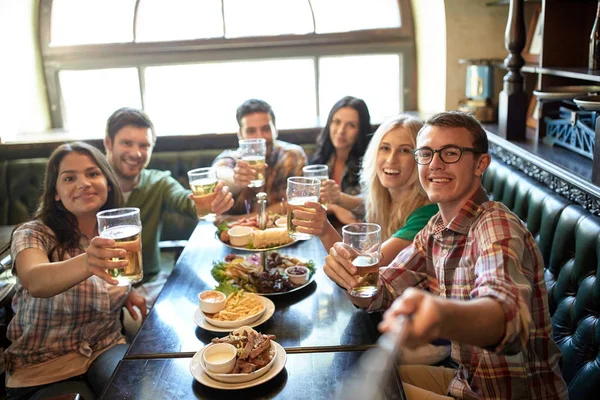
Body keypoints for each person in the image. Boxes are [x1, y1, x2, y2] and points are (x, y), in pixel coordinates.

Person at [324, 111, 568, 399]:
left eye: (450, 153)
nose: (435, 164)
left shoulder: (496, 225)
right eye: (426, 153)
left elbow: (508, 319)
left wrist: (440, 315)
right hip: (465, 381)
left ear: (481, 164)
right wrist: (351, 278)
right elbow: (380, 292)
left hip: (509, 395)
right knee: (343, 379)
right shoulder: (435, 228)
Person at [4, 142, 146, 400]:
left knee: (136, 390)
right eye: (69, 178)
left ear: (108, 182)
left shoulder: (116, 233)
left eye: (93, 174)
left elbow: (110, 279)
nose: (83, 183)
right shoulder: (33, 233)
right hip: (44, 365)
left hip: (105, 346)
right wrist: (87, 262)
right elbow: (36, 280)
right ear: (56, 193)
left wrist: (126, 292)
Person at [104, 107, 233, 306]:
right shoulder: (90, 188)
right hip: (99, 288)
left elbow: (185, 201)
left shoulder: (159, 182)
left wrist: (212, 202)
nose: (136, 153)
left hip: (151, 284)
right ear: (108, 143)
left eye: (144, 145)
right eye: (127, 143)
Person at [294, 114, 438, 266]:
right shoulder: (385, 199)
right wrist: (337, 198)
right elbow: (364, 202)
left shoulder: (426, 215)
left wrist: (325, 231)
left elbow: (361, 271)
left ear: (422, 158)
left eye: (404, 151)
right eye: (385, 148)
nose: (391, 159)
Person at [212, 99, 307, 215]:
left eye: (266, 129)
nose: (260, 138)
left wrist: (250, 219)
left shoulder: (292, 155)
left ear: (275, 130)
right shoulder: (230, 158)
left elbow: (299, 202)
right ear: (240, 135)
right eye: (251, 131)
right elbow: (219, 174)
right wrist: (236, 179)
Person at [309, 96, 372, 224]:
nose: (341, 131)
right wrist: (334, 208)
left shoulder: (370, 162)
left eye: (351, 125)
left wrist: (338, 198)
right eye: (336, 122)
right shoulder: (320, 159)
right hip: (322, 229)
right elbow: (306, 200)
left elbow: (371, 203)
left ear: (361, 130)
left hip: (357, 231)